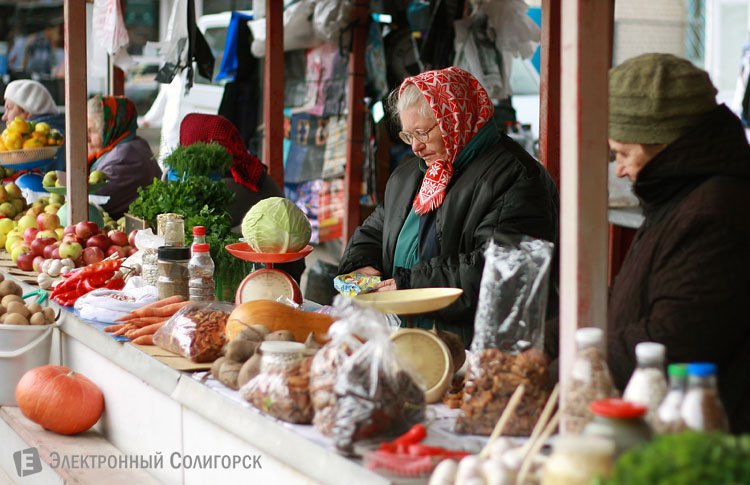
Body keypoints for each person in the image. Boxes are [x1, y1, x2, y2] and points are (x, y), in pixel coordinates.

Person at [337, 67, 559, 345]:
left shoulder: (516, 177)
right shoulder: (409, 177)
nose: (415, 147)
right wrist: (361, 266)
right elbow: (374, 232)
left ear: (454, 119)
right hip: (407, 338)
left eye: (422, 133)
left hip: (474, 347)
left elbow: (501, 270)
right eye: (408, 136)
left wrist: (410, 285)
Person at [606, 53, 750, 433]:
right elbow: (629, 298)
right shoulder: (678, 194)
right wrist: (551, 340)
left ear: (664, 144)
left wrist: (577, 364)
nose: (619, 169)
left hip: (704, 432)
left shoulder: (713, 211)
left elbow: (674, 339)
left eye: (623, 153)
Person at [178, 113, 305, 284]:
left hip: (273, 273)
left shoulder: (233, 183)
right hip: (277, 266)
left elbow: (199, 236)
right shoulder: (249, 168)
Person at [87, 95, 162, 219]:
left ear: (112, 128)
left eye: (92, 131)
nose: (87, 138)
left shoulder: (125, 157)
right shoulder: (130, 144)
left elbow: (94, 202)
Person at [3, 79, 66, 171]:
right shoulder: (63, 128)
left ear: (27, 110)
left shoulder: (35, 139)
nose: (4, 117)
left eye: (9, 108)